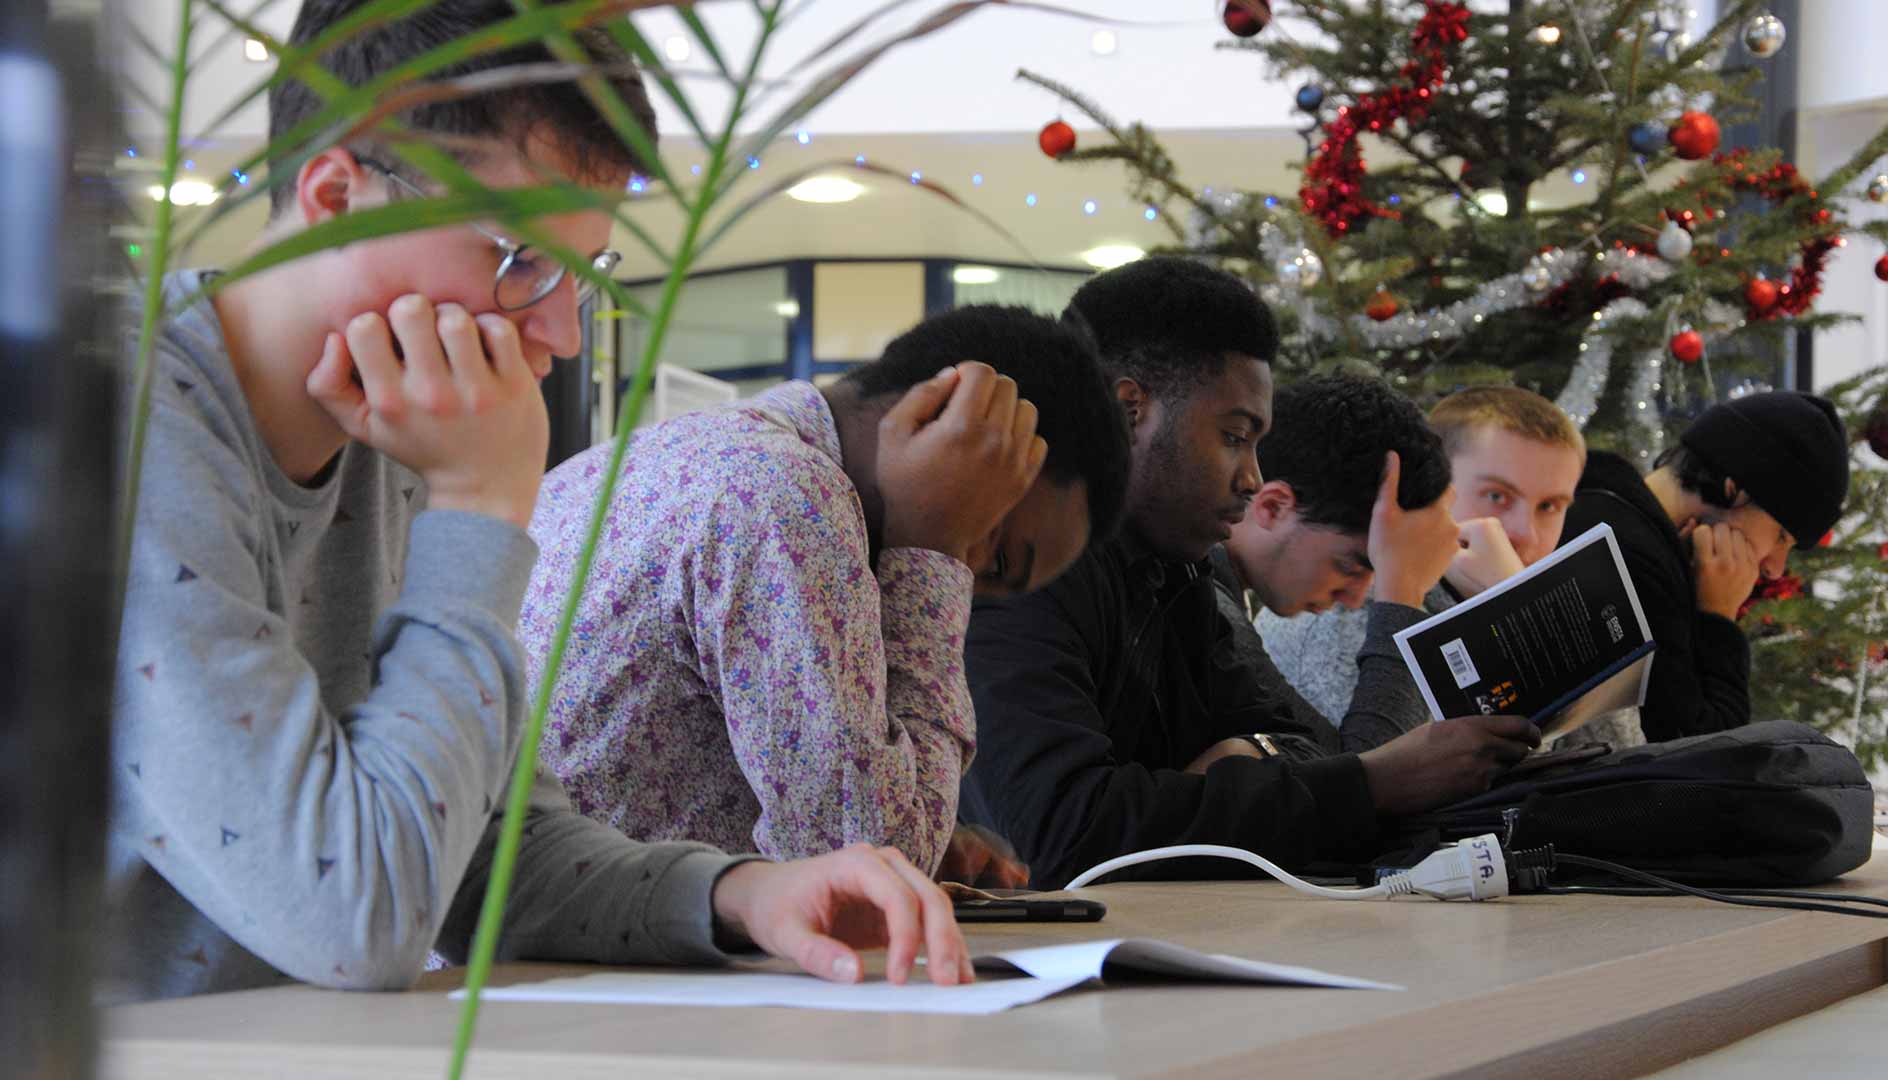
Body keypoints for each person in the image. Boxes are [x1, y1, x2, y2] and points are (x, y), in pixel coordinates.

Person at [107, 0, 971, 1004]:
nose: (558, 330)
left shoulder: (394, 437)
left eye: (581, 271)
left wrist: (742, 895)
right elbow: (360, 921)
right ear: (338, 196)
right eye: (518, 258)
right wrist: (478, 503)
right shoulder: (116, 421)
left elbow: (478, 855)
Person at [959, 256, 1540, 889]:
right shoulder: (1020, 563)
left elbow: (1314, 751)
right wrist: (1372, 784)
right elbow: (1060, 833)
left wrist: (1248, 759)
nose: (1254, 478)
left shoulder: (1175, 571)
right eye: (1235, 437)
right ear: (1131, 411)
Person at [524, 305, 1130, 881]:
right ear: (944, 419)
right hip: (583, 980)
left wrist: (920, 820)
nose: (967, 587)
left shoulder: (655, 456)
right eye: (993, 556)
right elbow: (871, 863)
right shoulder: (788, 495)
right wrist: (934, 548)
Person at [1258, 386, 1587, 723]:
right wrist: (1519, 617)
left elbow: (1622, 758)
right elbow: (1395, 767)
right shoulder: (1342, 606)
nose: (1524, 533)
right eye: (1496, 496)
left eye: (1549, 506)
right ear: (1438, 490)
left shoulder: (1559, 596)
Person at [1560, 391, 1850, 742]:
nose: (1775, 568)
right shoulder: (1633, 561)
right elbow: (1704, 756)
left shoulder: (1596, 501)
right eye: (1781, 537)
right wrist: (1718, 617)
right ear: (1735, 489)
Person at [1208, 373, 1457, 753]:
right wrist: (1402, 595)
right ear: (1273, 507)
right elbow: (1363, 778)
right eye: (1350, 566)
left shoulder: (1216, 585)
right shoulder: (1208, 609)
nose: (1357, 599)